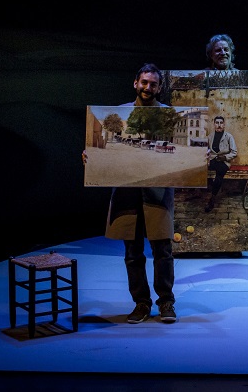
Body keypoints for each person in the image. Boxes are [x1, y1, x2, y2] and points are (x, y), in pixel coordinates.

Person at [83, 63, 177, 323]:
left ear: (159, 88)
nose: (148, 87)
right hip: (127, 192)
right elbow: (104, 147)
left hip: (157, 192)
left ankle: (166, 302)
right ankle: (141, 303)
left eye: (153, 84)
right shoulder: (118, 114)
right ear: (136, 83)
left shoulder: (169, 115)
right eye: (144, 82)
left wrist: (200, 154)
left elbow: (181, 149)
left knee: (162, 250)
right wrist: (91, 155)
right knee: (133, 252)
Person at [204, 115, 238, 212]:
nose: (219, 125)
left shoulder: (229, 136)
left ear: (224, 125)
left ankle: (212, 199)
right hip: (213, 160)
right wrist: (207, 156)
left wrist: (225, 157)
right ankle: (196, 192)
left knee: (220, 173)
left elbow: (234, 152)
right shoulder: (210, 137)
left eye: (221, 123)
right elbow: (206, 150)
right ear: (214, 124)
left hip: (224, 161)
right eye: (217, 123)